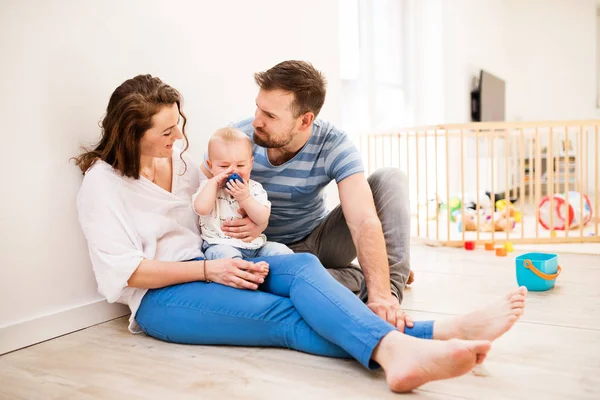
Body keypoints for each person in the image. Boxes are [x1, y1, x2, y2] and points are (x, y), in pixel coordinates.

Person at [74, 74, 527, 393]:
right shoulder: (103, 183)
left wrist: (248, 225)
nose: (178, 138)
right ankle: (415, 342)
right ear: (132, 133)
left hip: (223, 261)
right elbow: (128, 272)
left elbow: (223, 204)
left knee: (304, 267)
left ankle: (435, 333)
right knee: (283, 317)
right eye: (167, 132)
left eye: (180, 125)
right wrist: (209, 271)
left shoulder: (187, 165)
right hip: (165, 298)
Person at [201, 60, 415, 329]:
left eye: (270, 115)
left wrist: (382, 294)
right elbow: (203, 185)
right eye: (258, 107)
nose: (257, 120)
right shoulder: (238, 139)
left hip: (318, 240)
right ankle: (354, 280)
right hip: (263, 251)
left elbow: (363, 221)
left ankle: (385, 298)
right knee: (253, 276)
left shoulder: (333, 144)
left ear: (305, 120)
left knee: (391, 178)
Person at [192, 127, 293, 260]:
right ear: (210, 166)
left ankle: (282, 270)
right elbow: (202, 209)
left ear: (250, 164)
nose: (233, 172)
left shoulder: (254, 188)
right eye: (223, 166)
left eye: (240, 166)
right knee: (226, 256)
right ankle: (246, 273)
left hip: (256, 246)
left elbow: (262, 218)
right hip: (220, 245)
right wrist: (214, 183)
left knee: (281, 250)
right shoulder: (208, 187)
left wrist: (245, 198)